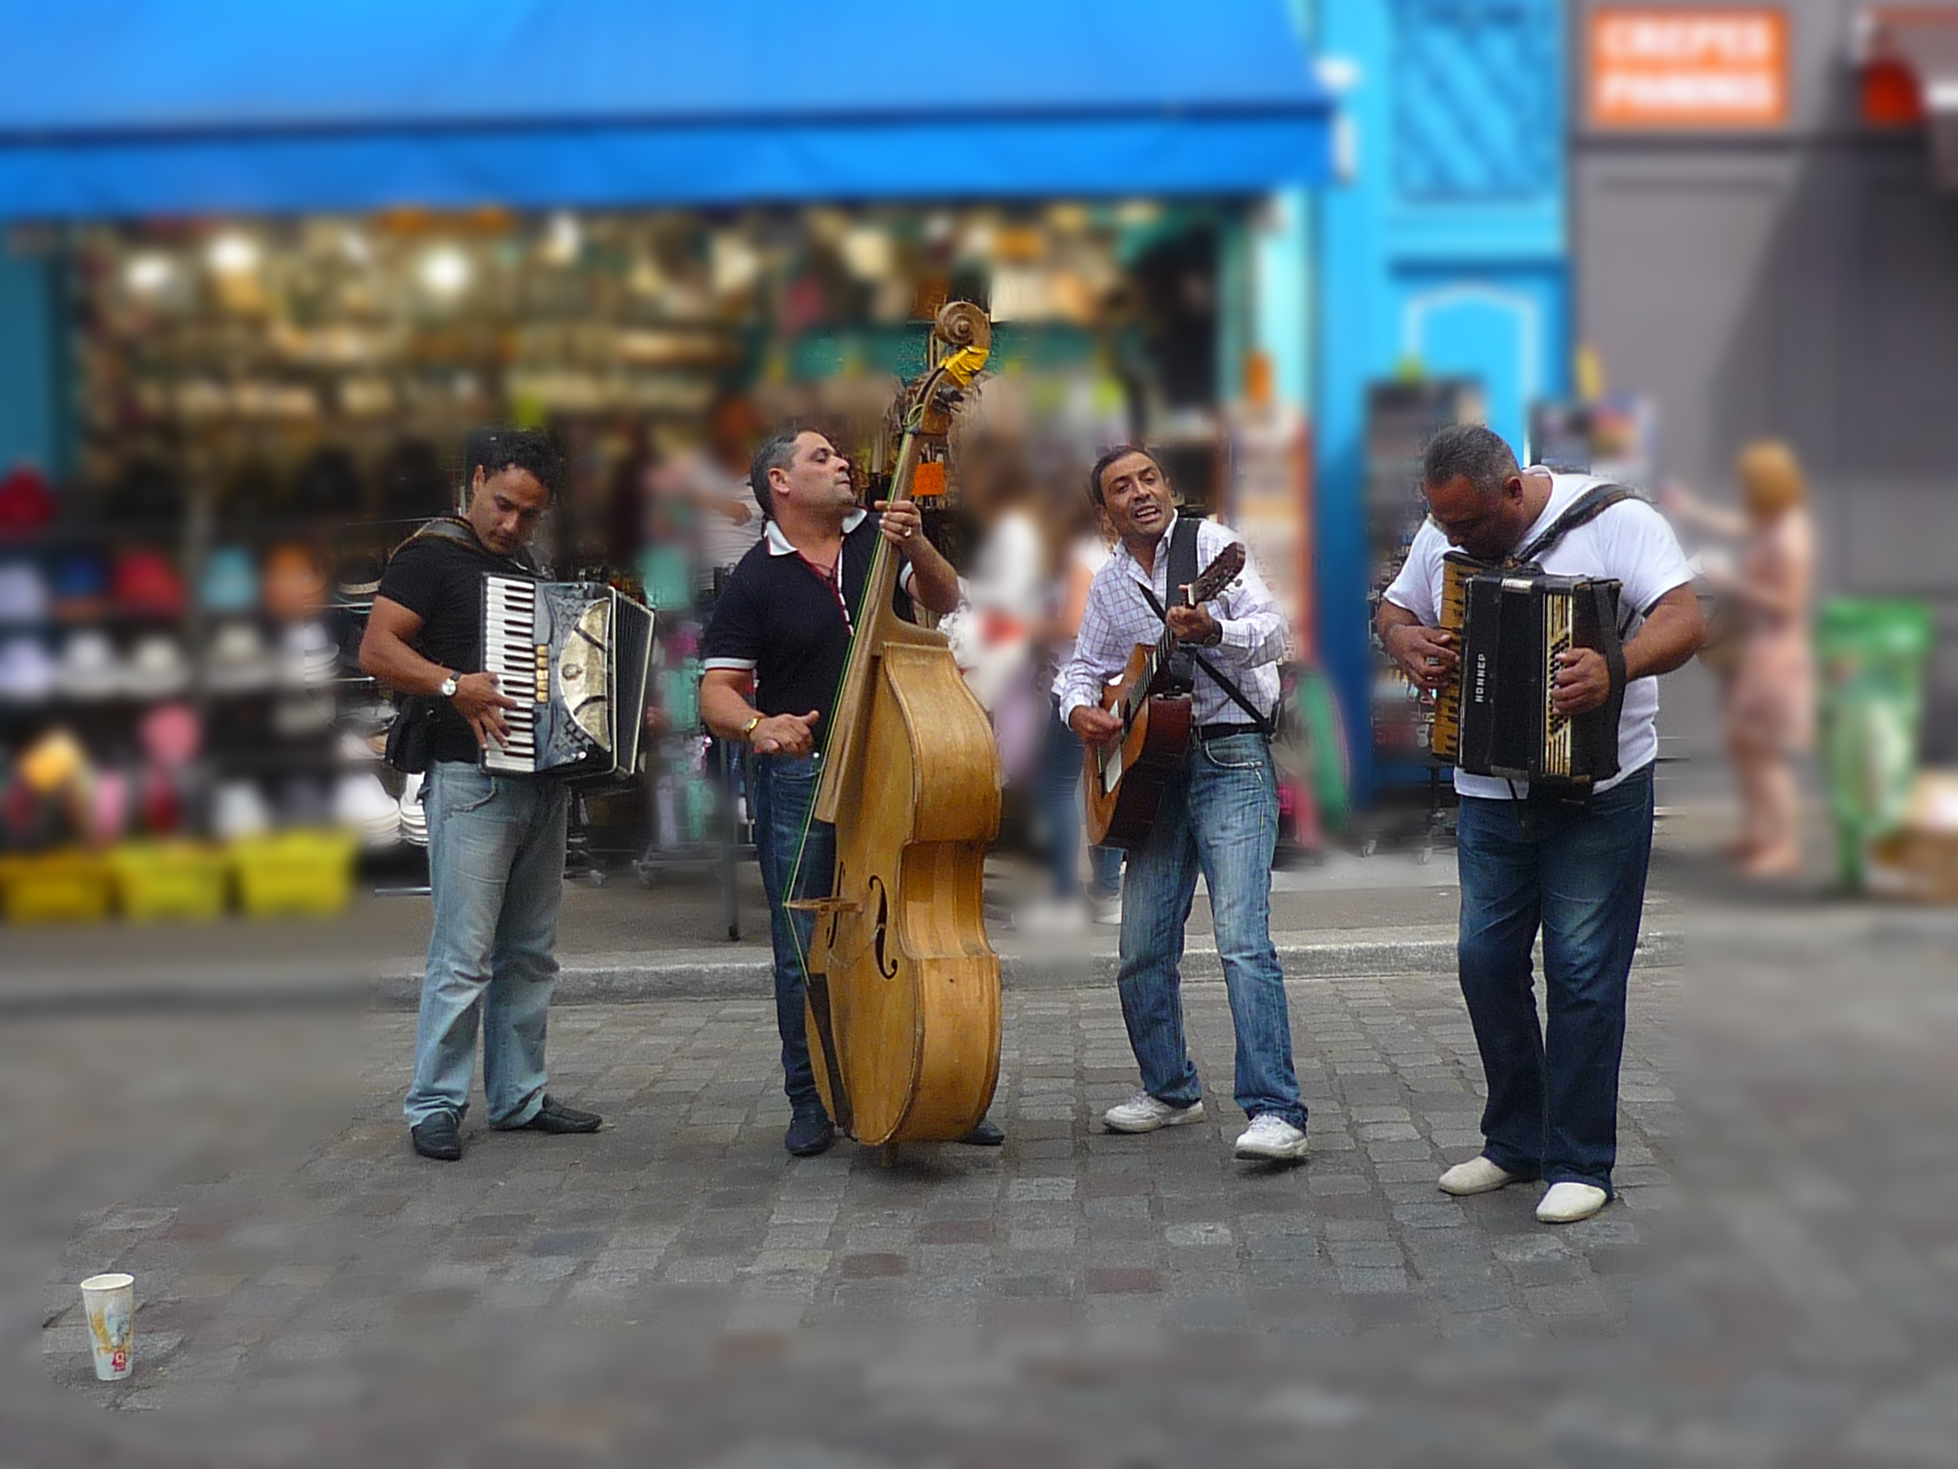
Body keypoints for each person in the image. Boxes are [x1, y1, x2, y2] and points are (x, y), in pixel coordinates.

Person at [1377, 424, 1703, 1224]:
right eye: (1444, 526)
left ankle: (1581, 1158)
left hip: (1600, 790)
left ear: (1514, 492)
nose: (1454, 542)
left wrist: (1615, 664)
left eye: (1470, 528)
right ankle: (1514, 1141)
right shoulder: (1444, 528)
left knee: (1584, 974)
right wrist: (1406, 640)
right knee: (1484, 962)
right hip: (1490, 793)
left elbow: (1686, 618)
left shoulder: (1616, 520)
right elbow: (1393, 607)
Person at [696, 427, 1001, 1157]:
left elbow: (947, 600)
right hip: (803, 777)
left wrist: (919, 544)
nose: (842, 465)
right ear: (780, 483)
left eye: (841, 454)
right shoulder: (757, 577)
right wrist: (760, 724)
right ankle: (814, 1094)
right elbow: (716, 691)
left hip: (896, 763)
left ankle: (925, 1071)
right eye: (821, 458)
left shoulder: (878, 541)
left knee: (911, 923)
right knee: (804, 945)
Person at [1059, 445, 1309, 1163]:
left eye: (1148, 479)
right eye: (1120, 486)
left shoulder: (1215, 547)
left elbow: (1275, 633)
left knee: (1241, 938)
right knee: (1140, 947)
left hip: (1229, 756)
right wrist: (1082, 710)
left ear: (1168, 487)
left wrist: (1215, 630)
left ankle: (1276, 1109)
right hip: (1151, 774)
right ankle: (1170, 1087)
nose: (1139, 492)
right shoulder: (1109, 585)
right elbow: (1082, 669)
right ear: (1104, 511)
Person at [360, 430, 604, 1163]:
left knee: (530, 952)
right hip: (469, 780)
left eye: (529, 514)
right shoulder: (431, 554)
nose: (511, 525)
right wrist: (450, 683)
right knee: (463, 955)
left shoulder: (524, 567)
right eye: (503, 505)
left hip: (539, 781)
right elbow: (375, 649)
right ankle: (434, 1102)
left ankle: (519, 1095)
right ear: (475, 480)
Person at [1662, 441, 1815, 878]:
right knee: (1745, 749)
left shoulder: (1790, 532)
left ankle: (1781, 844)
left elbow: (1785, 600)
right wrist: (1690, 509)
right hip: (1753, 652)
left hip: (1773, 654)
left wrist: (1731, 579)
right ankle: (1757, 833)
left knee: (1764, 752)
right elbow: (1733, 523)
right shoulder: (1768, 523)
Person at [1036, 487, 1124, 927]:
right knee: (1102, 787)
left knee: (1054, 788)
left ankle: (1065, 895)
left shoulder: (1080, 553)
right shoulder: (1114, 550)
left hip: (1076, 686)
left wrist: (1019, 627)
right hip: (1114, 688)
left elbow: (1072, 623)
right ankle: (1107, 892)